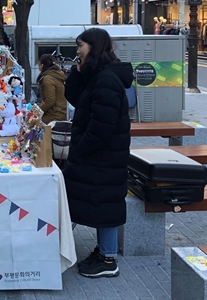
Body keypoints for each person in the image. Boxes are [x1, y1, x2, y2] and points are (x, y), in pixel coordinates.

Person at [63, 28, 133, 278]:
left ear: (94, 46)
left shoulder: (107, 80)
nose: (77, 51)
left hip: (104, 155)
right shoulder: (97, 75)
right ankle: (104, 252)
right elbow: (75, 98)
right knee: (103, 201)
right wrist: (76, 72)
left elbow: (102, 125)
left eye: (80, 46)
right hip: (102, 154)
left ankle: (108, 259)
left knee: (106, 202)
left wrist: (81, 149)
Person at [36, 54, 67, 123]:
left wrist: (37, 111)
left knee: (33, 123)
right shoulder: (55, 74)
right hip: (61, 112)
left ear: (42, 65)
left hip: (55, 115)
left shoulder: (48, 79)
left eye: (39, 64)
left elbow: (50, 101)